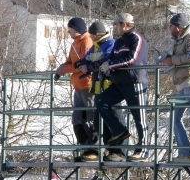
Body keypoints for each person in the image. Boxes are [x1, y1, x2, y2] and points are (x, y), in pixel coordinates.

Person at [96, 13, 149, 162]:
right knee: (101, 101)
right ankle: (119, 130)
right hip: (119, 82)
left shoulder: (136, 38)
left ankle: (143, 151)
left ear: (124, 24)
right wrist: (106, 66)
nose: (116, 28)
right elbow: (112, 57)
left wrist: (110, 65)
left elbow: (132, 59)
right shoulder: (119, 42)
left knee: (140, 117)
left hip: (134, 81)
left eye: (117, 25)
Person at [160, 13, 190, 159]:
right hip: (182, 84)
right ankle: (185, 152)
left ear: (179, 27)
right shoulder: (179, 40)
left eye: (172, 26)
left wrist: (172, 60)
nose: (170, 28)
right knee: (175, 117)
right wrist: (169, 60)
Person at [76, 21, 122, 162]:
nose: (89, 37)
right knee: (97, 122)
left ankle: (119, 152)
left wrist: (88, 67)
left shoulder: (109, 44)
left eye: (91, 34)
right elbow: (90, 58)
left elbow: (105, 60)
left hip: (109, 87)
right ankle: (110, 150)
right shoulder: (96, 46)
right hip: (99, 87)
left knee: (114, 119)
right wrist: (82, 63)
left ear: (96, 34)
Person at [55, 17, 95, 154]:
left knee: (90, 117)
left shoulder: (87, 41)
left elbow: (82, 64)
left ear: (77, 29)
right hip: (77, 86)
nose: (68, 32)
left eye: (70, 28)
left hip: (87, 85)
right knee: (77, 118)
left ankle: (93, 149)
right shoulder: (74, 44)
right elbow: (70, 62)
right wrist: (62, 68)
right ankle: (84, 147)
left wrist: (66, 69)